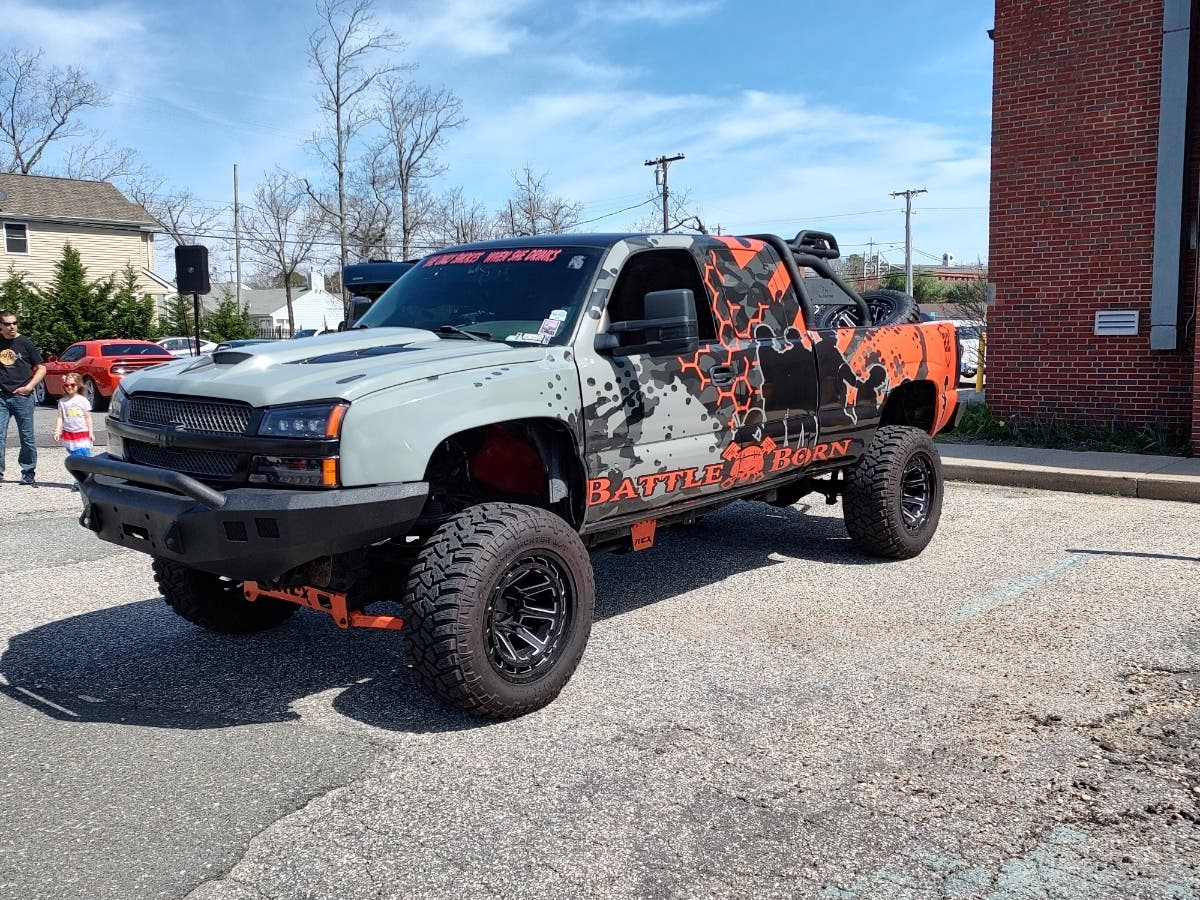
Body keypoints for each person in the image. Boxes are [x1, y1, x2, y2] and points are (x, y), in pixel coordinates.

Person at [0, 310, 45, 486]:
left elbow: (41, 368)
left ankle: (28, 472)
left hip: (22, 397)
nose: (12, 327)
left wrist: (29, 387)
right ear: (1, 326)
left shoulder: (25, 343)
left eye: (14, 323)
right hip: (1, 396)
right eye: (7, 324)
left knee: (27, 437)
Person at [52, 373, 94, 491]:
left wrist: (91, 432)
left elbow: (88, 417)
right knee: (74, 457)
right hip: (69, 434)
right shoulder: (62, 401)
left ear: (78, 385)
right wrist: (57, 430)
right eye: (67, 385)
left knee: (83, 456)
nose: (69, 387)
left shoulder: (82, 400)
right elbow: (60, 417)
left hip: (82, 433)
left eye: (72, 385)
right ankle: (80, 479)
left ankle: (84, 479)